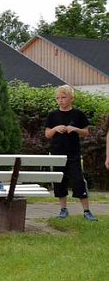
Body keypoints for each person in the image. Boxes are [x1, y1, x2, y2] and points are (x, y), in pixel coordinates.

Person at [45, 85, 97, 221]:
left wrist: (75, 129)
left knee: (78, 180)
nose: (60, 100)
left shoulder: (78, 114)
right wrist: (55, 129)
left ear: (71, 98)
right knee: (60, 181)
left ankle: (86, 211)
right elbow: (47, 134)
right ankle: (63, 209)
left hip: (74, 153)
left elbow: (86, 132)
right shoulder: (52, 115)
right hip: (57, 153)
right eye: (58, 98)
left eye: (63, 97)